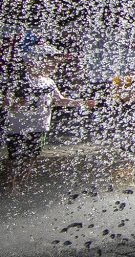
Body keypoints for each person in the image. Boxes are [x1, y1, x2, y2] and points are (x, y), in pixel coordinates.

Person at [2, 43, 95, 190]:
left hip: (40, 127)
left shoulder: (49, 82)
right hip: (18, 127)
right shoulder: (19, 81)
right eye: (51, 64)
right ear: (33, 62)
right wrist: (15, 104)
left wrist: (81, 103)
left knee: (31, 157)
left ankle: (21, 186)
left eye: (56, 65)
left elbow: (59, 100)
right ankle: (9, 187)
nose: (54, 68)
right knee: (14, 159)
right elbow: (5, 103)